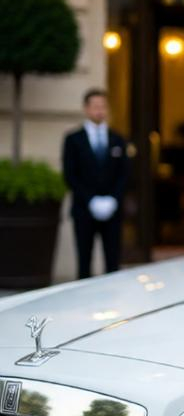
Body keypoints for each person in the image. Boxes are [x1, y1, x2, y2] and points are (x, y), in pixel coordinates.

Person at [62, 88, 130, 279]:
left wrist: (113, 199)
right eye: (95, 106)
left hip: (112, 210)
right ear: (86, 109)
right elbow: (70, 174)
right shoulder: (74, 139)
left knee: (113, 261)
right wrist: (90, 199)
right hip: (84, 209)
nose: (100, 110)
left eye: (103, 106)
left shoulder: (117, 139)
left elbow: (125, 173)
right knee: (84, 260)